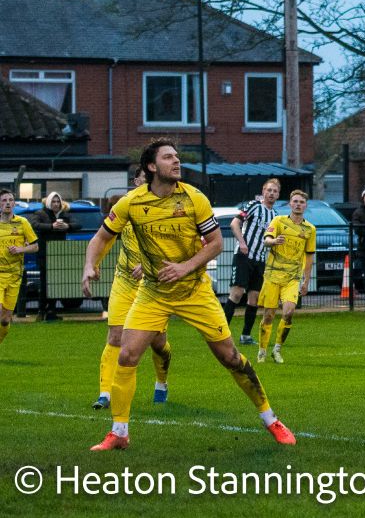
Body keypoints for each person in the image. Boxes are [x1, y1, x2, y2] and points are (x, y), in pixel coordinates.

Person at [82, 138, 295, 450]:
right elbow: (100, 238)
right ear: (152, 167)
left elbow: (216, 244)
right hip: (154, 293)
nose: (177, 161)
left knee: (230, 357)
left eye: (177, 157)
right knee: (126, 355)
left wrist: (185, 267)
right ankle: (119, 433)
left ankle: (271, 419)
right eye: (169, 157)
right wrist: (90, 265)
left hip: (195, 291)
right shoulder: (131, 203)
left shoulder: (195, 198)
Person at [90, 167, 173, 409]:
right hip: (124, 281)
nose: (147, 183)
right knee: (115, 336)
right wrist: (93, 265)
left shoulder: (165, 210)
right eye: (143, 179)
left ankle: (161, 381)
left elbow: (175, 249)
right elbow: (105, 238)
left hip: (153, 286)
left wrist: (151, 267)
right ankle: (105, 393)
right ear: (135, 181)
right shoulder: (124, 208)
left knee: (158, 343)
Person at [256, 190, 316, 363]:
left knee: (288, 312)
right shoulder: (279, 221)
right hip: (273, 275)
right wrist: (273, 241)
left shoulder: (310, 229)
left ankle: (277, 349)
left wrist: (306, 280)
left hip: (292, 277)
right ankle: (262, 351)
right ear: (290, 203)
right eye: (295, 201)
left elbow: (309, 255)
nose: (298, 204)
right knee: (268, 315)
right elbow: (267, 239)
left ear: (305, 205)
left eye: (301, 202)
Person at [223, 178, 281, 344]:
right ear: (263, 191)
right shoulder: (253, 206)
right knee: (236, 293)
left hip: (260, 260)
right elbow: (235, 223)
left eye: (274, 191)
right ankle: (221, 333)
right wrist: (242, 242)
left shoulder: (276, 216)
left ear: (278, 195)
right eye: (269, 190)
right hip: (243, 256)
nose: (271, 193)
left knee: (254, 298)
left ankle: (245, 336)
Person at [30, 191, 79, 321]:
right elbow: (34, 225)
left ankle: (51, 311)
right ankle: (41, 311)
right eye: (54, 201)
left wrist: (67, 226)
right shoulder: (40, 213)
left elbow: (78, 225)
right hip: (44, 253)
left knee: (55, 282)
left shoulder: (64, 215)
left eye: (58, 201)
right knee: (44, 282)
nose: (56, 204)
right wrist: (51, 226)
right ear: (48, 202)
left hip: (58, 254)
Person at [0, 189, 38, 347]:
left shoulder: (23, 223)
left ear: (14, 203)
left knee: (5, 319)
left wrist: (21, 249)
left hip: (15, 276)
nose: (7, 203)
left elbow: (35, 246)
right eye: (4, 200)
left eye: (10, 200)